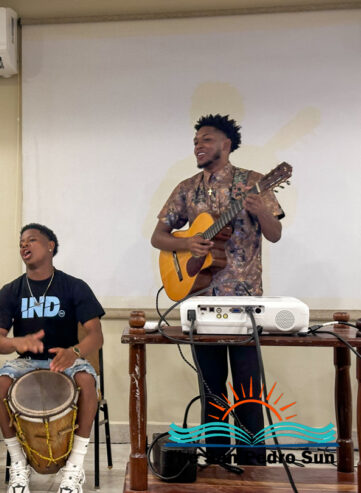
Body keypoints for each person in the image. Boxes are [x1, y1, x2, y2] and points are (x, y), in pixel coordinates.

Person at [150, 114, 284, 465]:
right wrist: (187, 244)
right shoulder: (186, 188)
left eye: (206, 139)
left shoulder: (254, 183)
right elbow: (158, 237)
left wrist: (261, 211)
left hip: (244, 303)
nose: (198, 145)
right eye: (196, 141)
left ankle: (254, 465)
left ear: (226, 144)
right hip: (200, 302)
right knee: (211, 389)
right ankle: (217, 462)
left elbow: (275, 233)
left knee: (248, 389)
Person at [0, 223, 105, 493]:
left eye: (31, 240)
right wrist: (16, 342)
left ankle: (74, 467)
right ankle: (18, 464)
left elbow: (96, 336)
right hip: (26, 362)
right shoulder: (11, 290)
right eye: (21, 242)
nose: (24, 245)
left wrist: (74, 352)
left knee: (88, 382)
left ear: (50, 246)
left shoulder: (74, 286)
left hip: (67, 358)